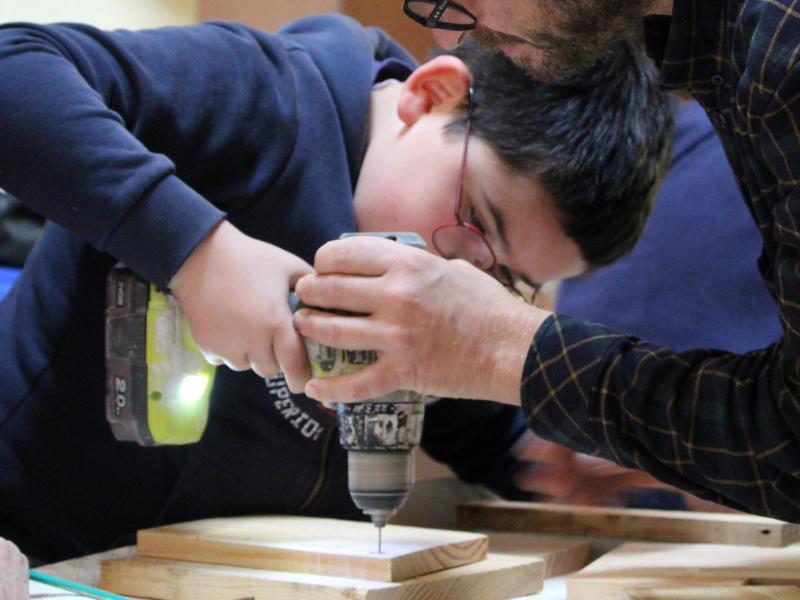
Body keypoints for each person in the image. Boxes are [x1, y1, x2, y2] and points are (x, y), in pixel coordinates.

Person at [0, 16, 671, 562]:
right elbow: (15, 68)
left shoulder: (428, 287)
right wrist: (197, 251)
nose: (461, 282)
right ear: (431, 95)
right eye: (472, 221)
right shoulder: (268, 99)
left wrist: (532, 449)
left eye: (506, 280)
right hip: (36, 553)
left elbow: (459, 419)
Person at [293, 0, 800, 521]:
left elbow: (789, 440)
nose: (450, 35)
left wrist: (499, 351)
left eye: (502, 272)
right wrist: (208, 248)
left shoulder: (782, 48)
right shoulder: (277, 98)